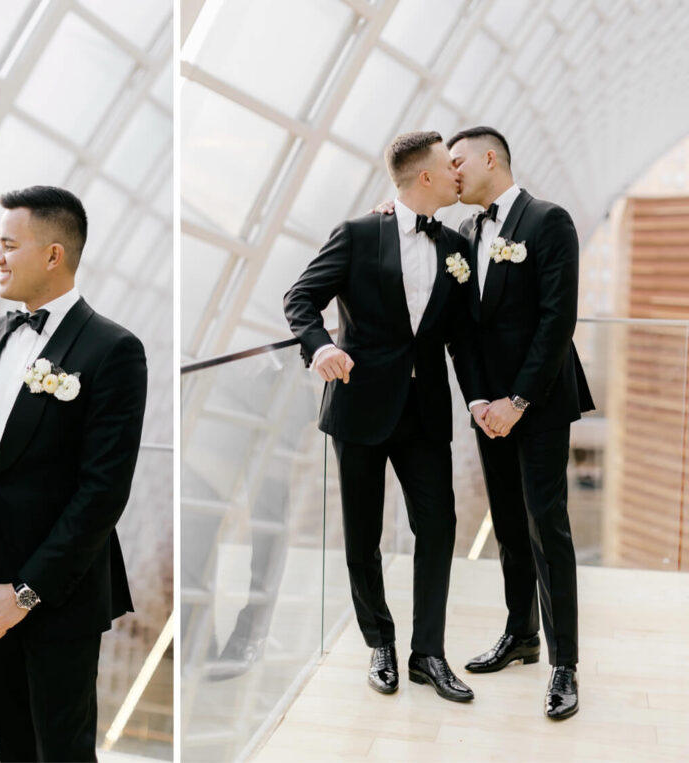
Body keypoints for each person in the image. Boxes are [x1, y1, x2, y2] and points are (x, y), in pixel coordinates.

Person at [284, 132, 486, 703]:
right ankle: (380, 642)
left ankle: (429, 652)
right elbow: (300, 297)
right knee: (362, 535)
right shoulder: (355, 234)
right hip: (359, 407)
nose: (456, 174)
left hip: (425, 414)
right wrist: (320, 347)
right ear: (424, 177)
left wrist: (475, 399)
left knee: (439, 527)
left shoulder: (455, 245)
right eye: (448, 167)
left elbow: (463, 340)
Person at [0, 186, 148, 761]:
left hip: (60, 592)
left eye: (8, 245)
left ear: (53, 255)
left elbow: (102, 492)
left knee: (62, 750)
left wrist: (27, 592)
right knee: (12, 746)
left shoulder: (114, 348)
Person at [447, 126, 594, 720]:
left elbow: (558, 321)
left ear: (490, 158)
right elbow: (464, 329)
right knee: (508, 523)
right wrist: (480, 401)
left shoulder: (548, 221)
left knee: (546, 525)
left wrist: (517, 402)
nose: (450, 172)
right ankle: (521, 634)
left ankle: (565, 664)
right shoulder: (465, 231)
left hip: (540, 402)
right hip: (490, 412)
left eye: (456, 162)